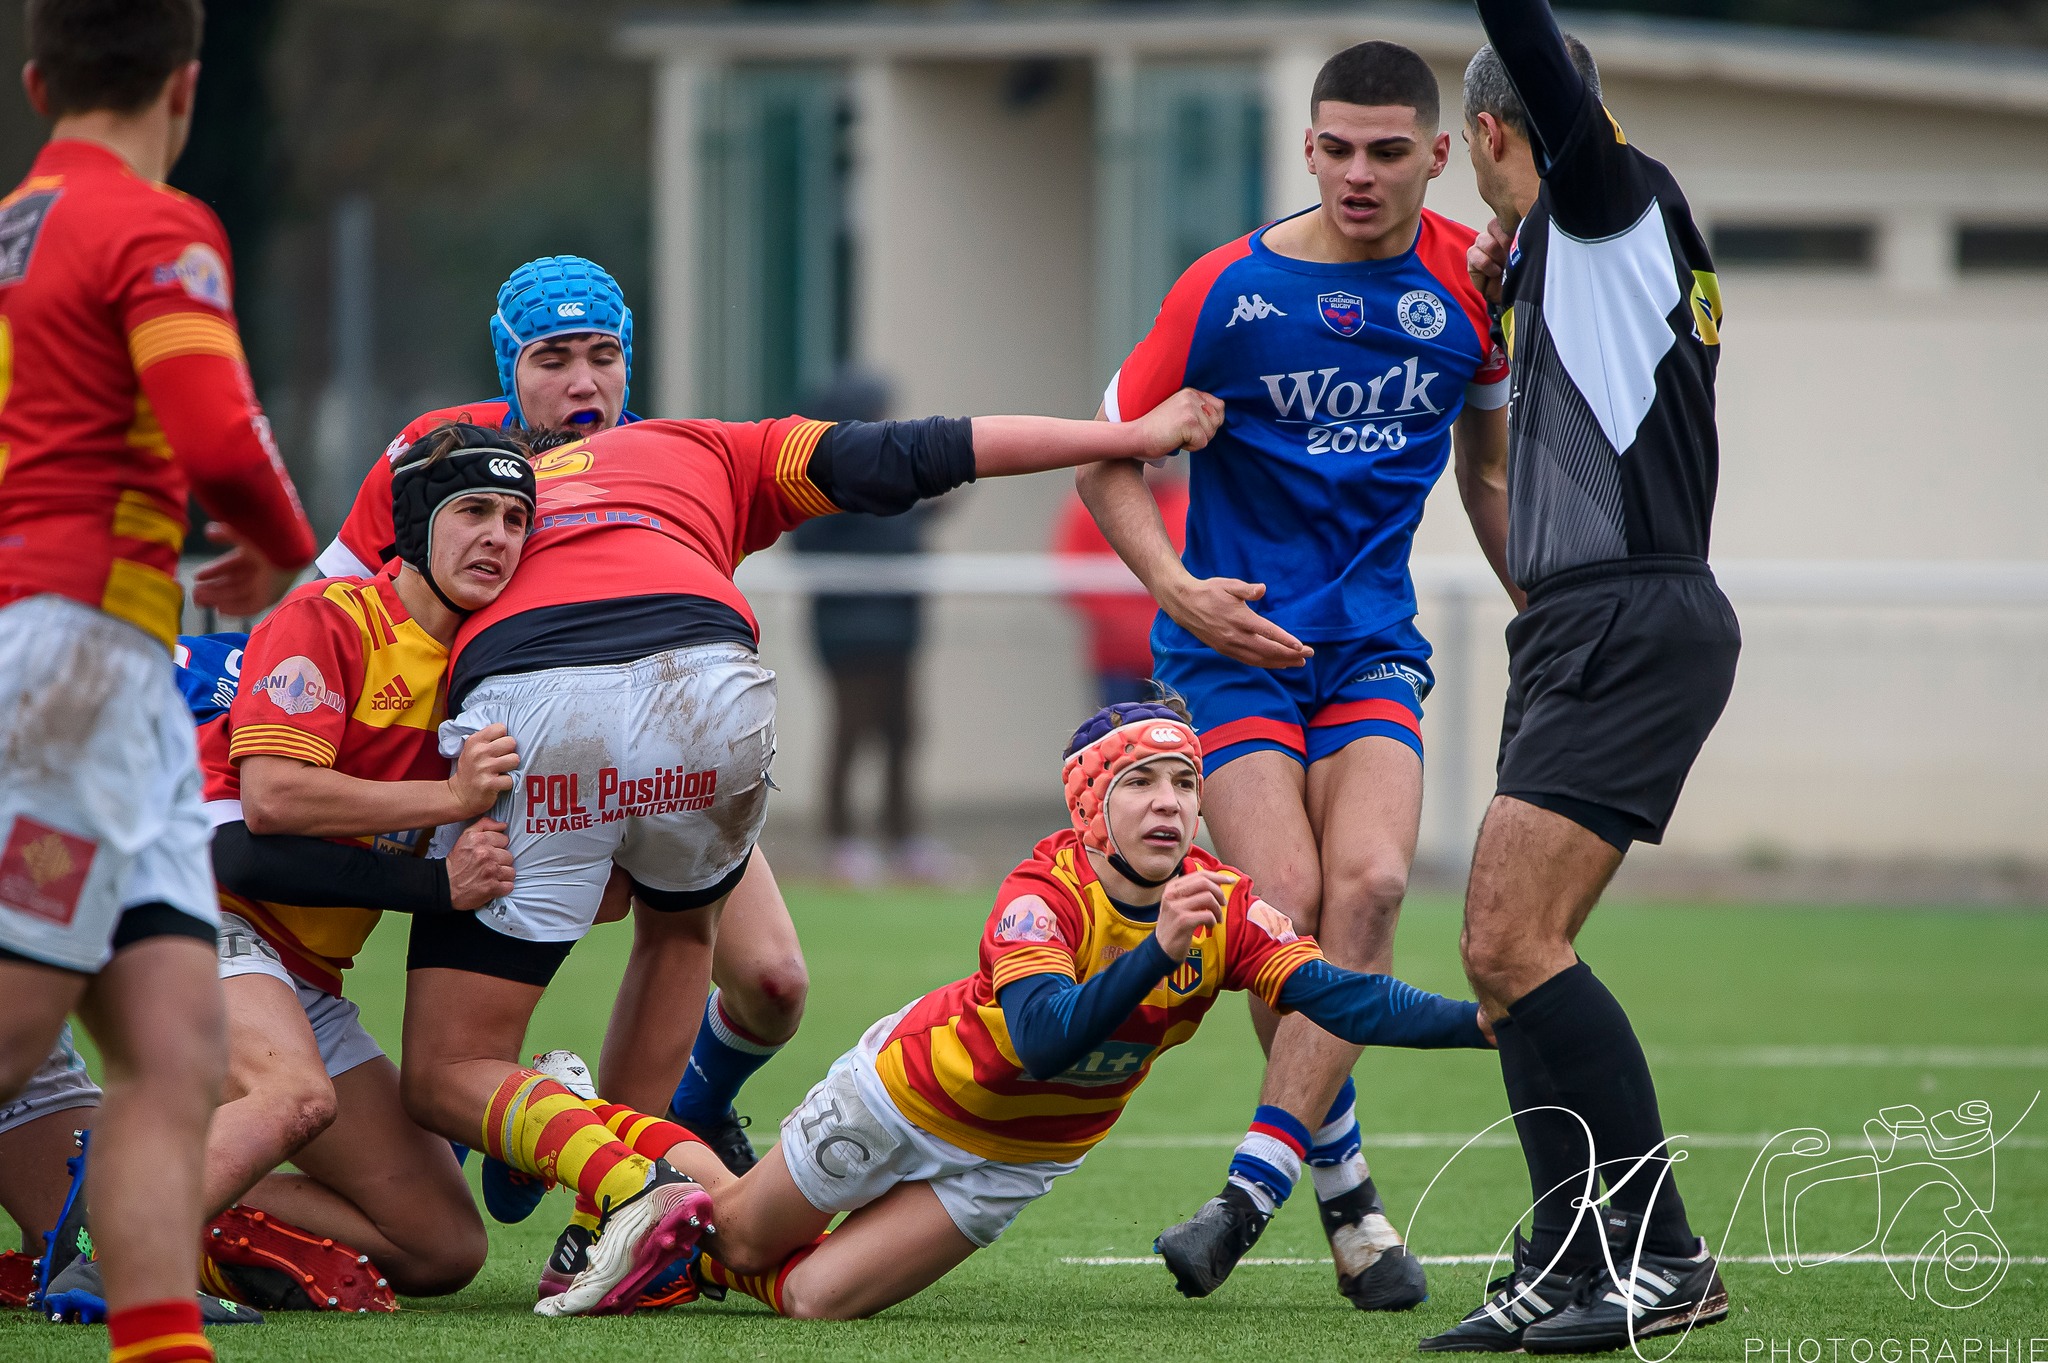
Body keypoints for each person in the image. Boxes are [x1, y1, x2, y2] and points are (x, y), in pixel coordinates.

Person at [388, 387, 1225, 1317]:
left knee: (444, 1071)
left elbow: (368, 615)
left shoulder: (476, 500)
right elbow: (933, 447)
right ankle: (601, 1224)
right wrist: (1130, 435)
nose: (585, 380)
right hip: (711, 684)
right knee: (682, 937)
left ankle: (619, 1176)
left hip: (540, 689)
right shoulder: (706, 444)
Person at [543, 699, 1490, 1321]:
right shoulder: (1041, 893)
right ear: (1091, 806)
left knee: (814, 1299)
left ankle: (687, 1234)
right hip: (906, 1096)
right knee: (748, 1232)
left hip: (1013, 1161)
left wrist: (1480, 1022)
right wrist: (1159, 950)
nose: (1171, 806)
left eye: (1187, 784)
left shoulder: (1224, 901)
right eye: (1140, 784)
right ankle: (582, 1117)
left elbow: (1338, 994)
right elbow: (1041, 1040)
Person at [1076, 41, 1516, 1310]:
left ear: (1438, 157)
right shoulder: (1226, 290)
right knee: (1282, 896)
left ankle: (1248, 1193)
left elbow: (1484, 477)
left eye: (1388, 151)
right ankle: (1345, 1192)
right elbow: (1103, 456)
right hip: (1230, 658)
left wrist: (1539, 602)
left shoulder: (1469, 289)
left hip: (1369, 643)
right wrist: (1175, 586)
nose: (1358, 174)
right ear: (1306, 148)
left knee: (1369, 884)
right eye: (1336, 148)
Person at [287, 257, 808, 1188]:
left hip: (639, 749)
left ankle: (679, 1119)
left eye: (603, 354)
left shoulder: (668, 454)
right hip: (486, 759)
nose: (583, 382)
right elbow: (336, 613)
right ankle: (562, 1144)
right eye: (552, 356)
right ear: (509, 366)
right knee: (467, 1032)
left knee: (773, 984)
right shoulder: (434, 451)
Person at [1418, 1, 1741, 1353]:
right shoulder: (1569, 250)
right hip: (1581, 624)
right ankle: (1572, 1251)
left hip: (1627, 618)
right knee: (1503, 965)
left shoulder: (1608, 203)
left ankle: (1662, 1252)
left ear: (1496, 130)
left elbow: (1543, 68)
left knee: (1507, 940)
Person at [0, 4, 319, 1362]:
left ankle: (157, 1343)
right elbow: (216, 437)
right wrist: (286, 548)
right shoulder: (155, 224)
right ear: (187, 86)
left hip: (95, 669)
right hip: (70, 659)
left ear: (35, 83)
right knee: (14, 1027)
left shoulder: (15, 225)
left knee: (178, 1049)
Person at [183, 423, 534, 1312]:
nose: (499, 535)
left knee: (442, 1246)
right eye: (474, 512)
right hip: (191, 918)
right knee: (296, 1096)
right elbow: (270, 806)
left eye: (517, 518)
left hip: (305, 973)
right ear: (415, 524)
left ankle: (176, 1192)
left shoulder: (489, 670)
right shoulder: (330, 618)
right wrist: (449, 814)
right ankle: (119, 1235)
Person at [788, 371, 949, 886]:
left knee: (904, 732)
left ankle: (903, 839)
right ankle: (841, 843)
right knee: (851, 733)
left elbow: (895, 529)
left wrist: (921, 513)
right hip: (849, 634)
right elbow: (810, 545)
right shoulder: (818, 477)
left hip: (900, 629)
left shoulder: (889, 477)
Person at [1053, 465, 1189, 707]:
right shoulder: (1091, 504)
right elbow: (1069, 575)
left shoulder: (1190, 505)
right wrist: (1123, 622)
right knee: (1119, 736)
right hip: (1117, 663)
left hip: (1179, 657)